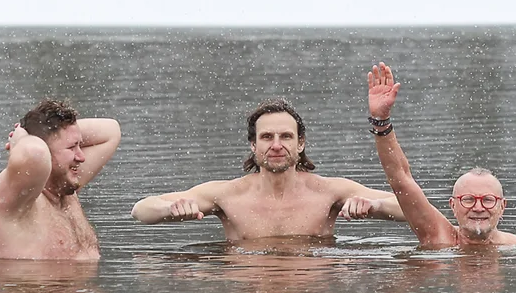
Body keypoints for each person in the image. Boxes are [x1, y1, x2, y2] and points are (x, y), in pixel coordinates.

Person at [130, 99, 404, 240]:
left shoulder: (329, 191)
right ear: (253, 144)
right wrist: (171, 210)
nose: (276, 145)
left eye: (285, 137)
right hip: (248, 282)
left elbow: (411, 209)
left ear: (300, 143)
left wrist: (375, 205)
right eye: (266, 137)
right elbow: (140, 211)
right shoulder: (227, 195)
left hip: (310, 285)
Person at [367, 62, 516, 249]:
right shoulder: (438, 236)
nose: (478, 209)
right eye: (468, 200)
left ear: (502, 206)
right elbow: (400, 178)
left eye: (488, 200)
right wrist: (381, 121)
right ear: (453, 205)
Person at [0, 99, 122, 260]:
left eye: (80, 144)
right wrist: (21, 136)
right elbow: (34, 152)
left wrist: (58, 132)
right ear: (46, 152)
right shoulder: (18, 198)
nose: (81, 157)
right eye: (71, 147)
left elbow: (111, 131)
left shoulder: (65, 185)